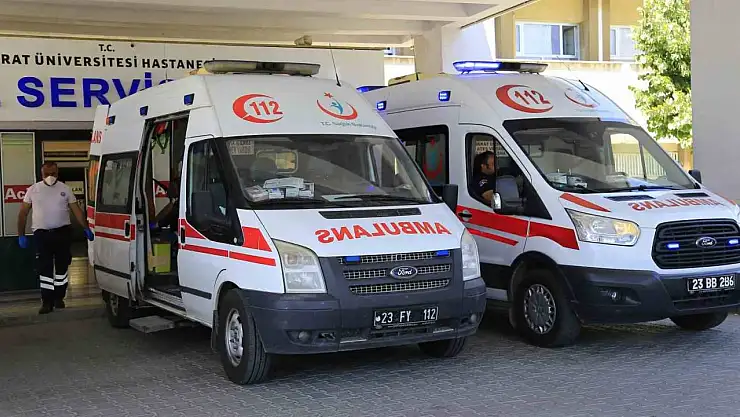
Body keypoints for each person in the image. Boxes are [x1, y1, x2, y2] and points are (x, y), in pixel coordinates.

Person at [17, 162, 94, 314]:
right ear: (41, 174)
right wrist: (21, 235)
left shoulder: (65, 189)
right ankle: (46, 301)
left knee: (62, 267)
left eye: (53, 173)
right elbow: (23, 213)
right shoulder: (33, 190)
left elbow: (77, 211)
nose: (50, 177)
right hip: (42, 235)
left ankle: (59, 297)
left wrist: (86, 228)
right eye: (47, 174)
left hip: (62, 234)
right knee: (44, 268)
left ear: (58, 174)